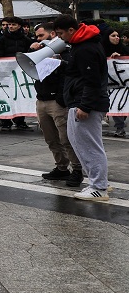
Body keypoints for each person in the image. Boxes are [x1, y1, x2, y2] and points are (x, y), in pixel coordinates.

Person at [52, 16, 111, 201]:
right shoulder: (83, 45)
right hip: (81, 101)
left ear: (71, 30)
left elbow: (91, 80)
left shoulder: (85, 47)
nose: (61, 38)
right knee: (81, 143)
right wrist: (63, 65)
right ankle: (98, 182)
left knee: (89, 146)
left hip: (84, 103)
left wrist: (85, 105)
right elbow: (83, 73)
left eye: (61, 33)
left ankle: (99, 187)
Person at [31, 23, 82, 185]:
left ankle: (77, 170)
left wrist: (61, 99)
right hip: (42, 99)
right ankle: (61, 168)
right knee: (51, 138)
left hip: (58, 102)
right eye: (36, 36)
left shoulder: (65, 52)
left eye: (41, 36)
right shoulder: (39, 52)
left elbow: (68, 77)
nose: (38, 39)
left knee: (66, 138)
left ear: (52, 34)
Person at [0, 17, 33, 130]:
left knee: (20, 95)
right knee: (6, 95)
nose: (10, 27)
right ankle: (6, 121)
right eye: (9, 24)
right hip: (6, 73)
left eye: (13, 24)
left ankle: (20, 120)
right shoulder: (2, 39)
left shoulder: (25, 40)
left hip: (21, 72)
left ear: (19, 26)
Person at [101, 25, 128, 137]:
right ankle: (119, 127)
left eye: (118, 36)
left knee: (120, 105)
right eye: (113, 36)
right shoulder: (101, 50)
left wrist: (120, 57)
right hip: (107, 85)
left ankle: (120, 127)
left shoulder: (124, 49)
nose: (117, 38)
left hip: (123, 85)